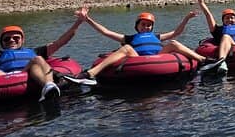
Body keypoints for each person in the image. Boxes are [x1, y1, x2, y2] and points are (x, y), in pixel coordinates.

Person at [73, 6, 207, 81]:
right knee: (126, 47)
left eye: (149, 25)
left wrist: (187, 18)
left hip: (159, 56)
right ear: (137, 26)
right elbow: (105, 31)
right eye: (143, 24)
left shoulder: (157, 37)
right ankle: (91, 74)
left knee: (173, 42)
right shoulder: (129, 38)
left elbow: (177, 32)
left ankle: (203, 60)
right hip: (137, 57)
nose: (146, 27)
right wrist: (87, 19)